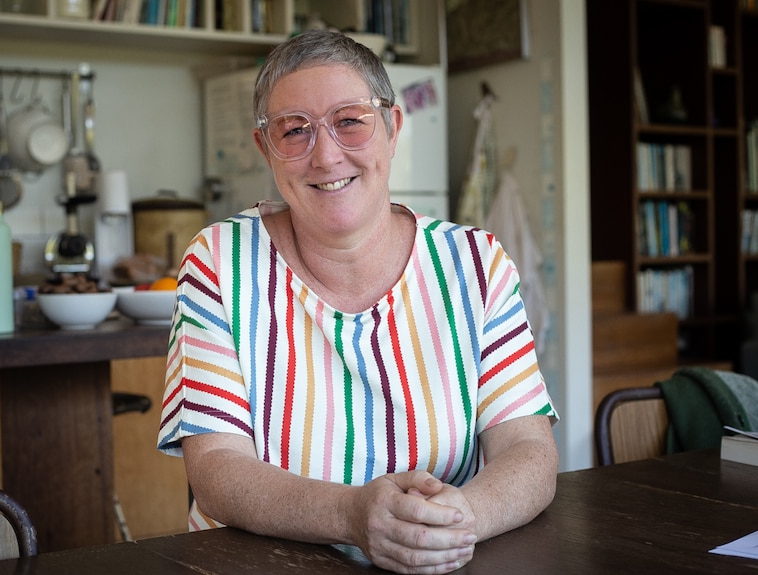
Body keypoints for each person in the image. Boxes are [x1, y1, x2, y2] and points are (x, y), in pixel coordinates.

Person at [157, 28, 559, 575]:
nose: (325, 155)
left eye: (350, 121)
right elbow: (219, 472)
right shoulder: (219, 261)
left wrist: (459, 518)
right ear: (266, 149)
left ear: (392, 128)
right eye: (294, 131)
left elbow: (528, 453)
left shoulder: (477, 263)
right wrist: (352, 516)